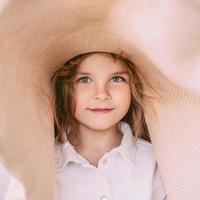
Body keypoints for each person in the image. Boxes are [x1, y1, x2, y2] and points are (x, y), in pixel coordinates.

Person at [4, 52, 166, 199]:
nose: (102, 94)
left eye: (116, 79)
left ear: (133, 87)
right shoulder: (37, 165)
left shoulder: (155, 161)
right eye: (84, 80)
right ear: (65, 88)